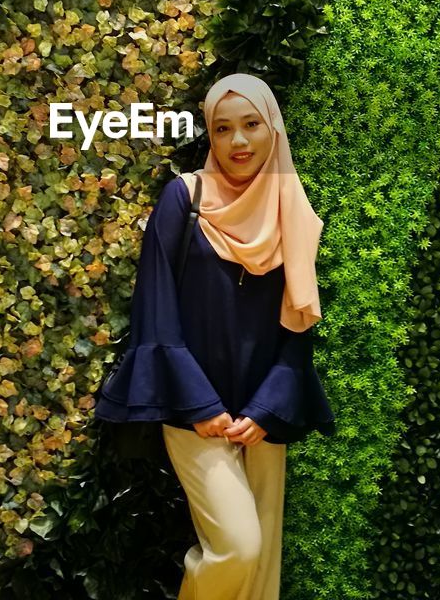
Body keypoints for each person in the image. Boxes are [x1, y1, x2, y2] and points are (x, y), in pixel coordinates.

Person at [94, 72, 336, 600]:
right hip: (195, 412)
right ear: (210, 135)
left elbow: (298, 324)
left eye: (251, 124)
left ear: (273, 127)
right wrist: (200, 405)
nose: (238, 142)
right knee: (239, 547)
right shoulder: (185, 198)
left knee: (262, 567)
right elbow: (154, 313)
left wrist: (267, 407)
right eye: (222, 129)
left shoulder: (290, 206)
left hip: (261, 413)